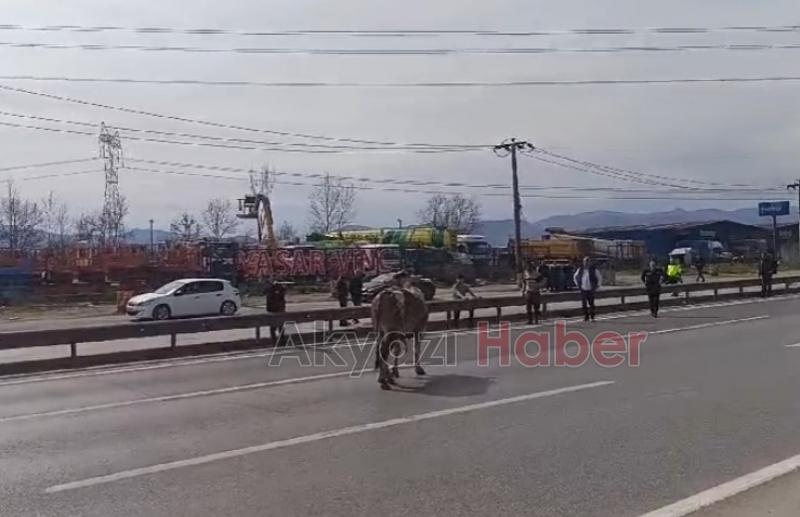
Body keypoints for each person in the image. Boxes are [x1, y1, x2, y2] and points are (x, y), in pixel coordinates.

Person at [573, 256, 602, 322]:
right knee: (584, 304)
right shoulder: (580, 269)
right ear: (583, 262)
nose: (586, 263)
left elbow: (599, 278)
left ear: (590, 262)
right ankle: (586, 317)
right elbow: (575, 276)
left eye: (587, 261)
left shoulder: (594, 269)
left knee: (591, 304)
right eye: (585, 261)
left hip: (591, 289)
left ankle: (592, 317)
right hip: (583, 289)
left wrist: (598, 285)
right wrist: (577, 284)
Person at [264, 277, 287, 344]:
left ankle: (282, 340)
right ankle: (274, 341)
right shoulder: (269, 286)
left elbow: (282, 295)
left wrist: (282, 287)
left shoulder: (280, 287)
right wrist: (273, 286)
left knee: (281, 326)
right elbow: (267, 292)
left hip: (279, 309)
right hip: (272, 309)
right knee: (273, 327)